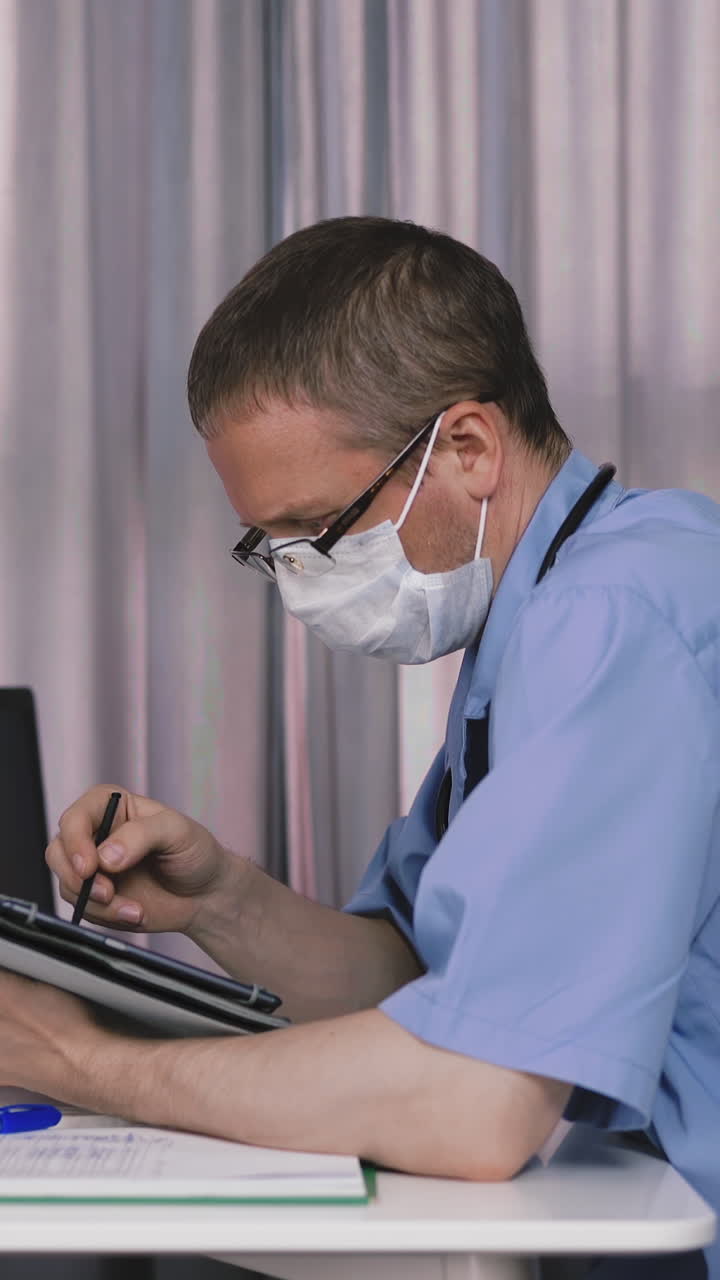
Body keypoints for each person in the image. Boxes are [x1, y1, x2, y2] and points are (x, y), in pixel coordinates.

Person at [1, 217, 717, 1279]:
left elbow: (478, 1101)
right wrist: (217, 900)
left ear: (467, 447)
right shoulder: (536, 615)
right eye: (270, 546)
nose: (299, 581)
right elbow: (421, 979)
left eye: (320, 531)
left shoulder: (617, 613)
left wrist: (80, 1060)